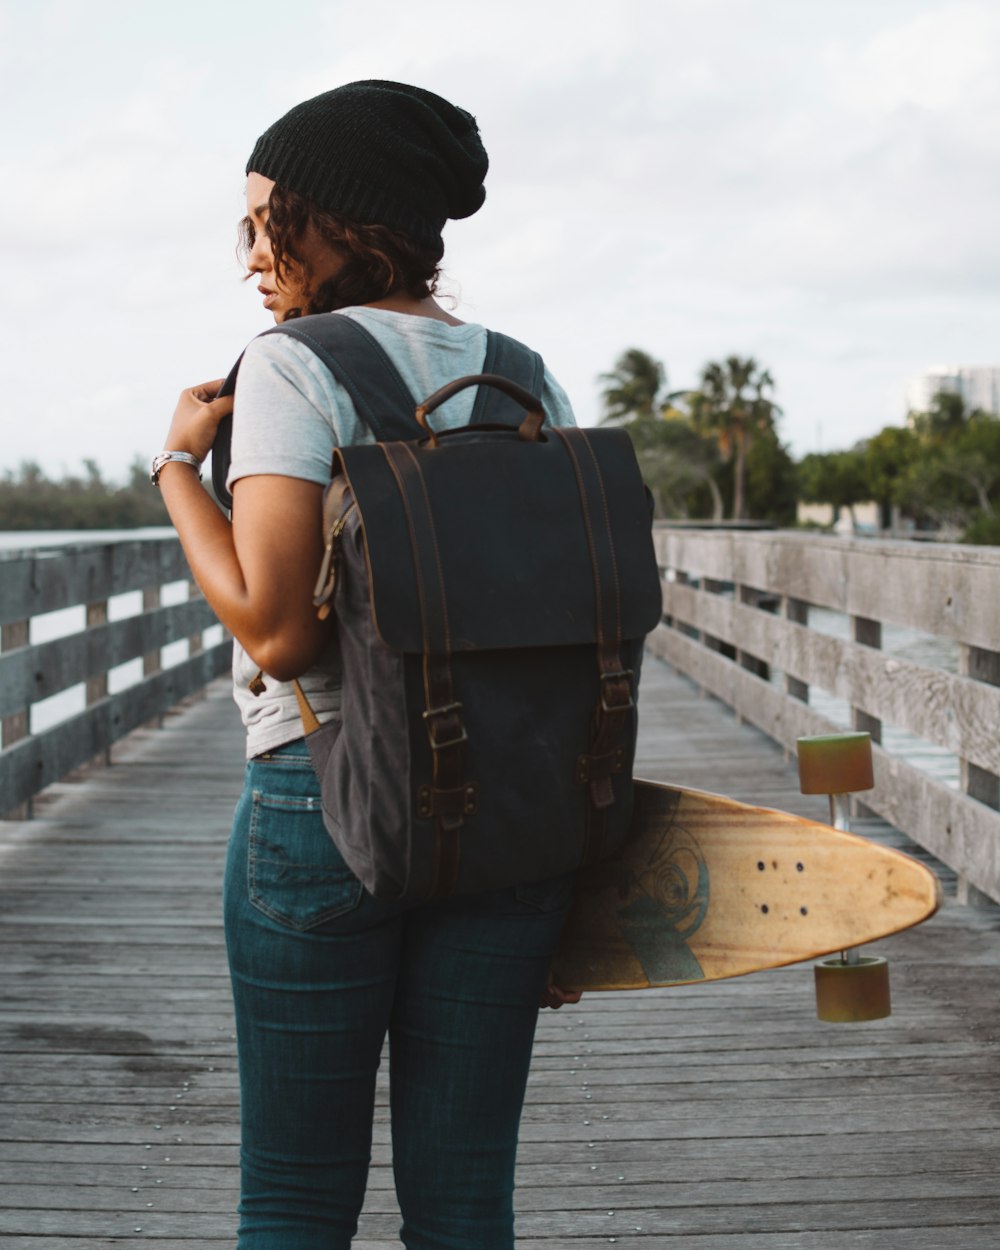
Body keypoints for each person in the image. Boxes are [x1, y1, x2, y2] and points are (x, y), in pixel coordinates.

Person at [155, 81, 581, 1249]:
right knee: (463, 1205)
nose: (251, 255)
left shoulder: (293, 364)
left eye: (268, 221)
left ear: (346, 217)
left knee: (295, 1200)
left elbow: (277, 631)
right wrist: (569, 864)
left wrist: (178, 473)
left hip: (327, 797)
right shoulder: (522, 374)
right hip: (511, 815)